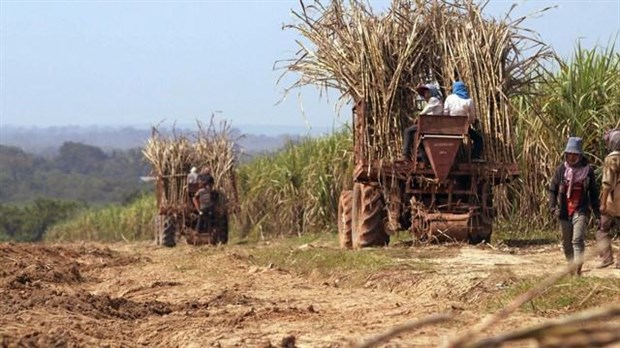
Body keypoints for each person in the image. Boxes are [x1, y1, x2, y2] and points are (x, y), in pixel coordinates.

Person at [549, 137, 601, 276]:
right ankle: (571, 267)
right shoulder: (561, 170)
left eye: (575, 154)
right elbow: (553, 190)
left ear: (580, 155)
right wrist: (553, 208)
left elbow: (594, 194)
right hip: (564, 211)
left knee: (577, 239)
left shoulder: (587, 171)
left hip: (580, 209)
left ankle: (577, 269)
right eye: (570, 154)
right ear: (566, 155)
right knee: (567, 243)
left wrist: (597, 214)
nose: (572, 157)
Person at [596, 128, 620, 269]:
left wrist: (603, 203)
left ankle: (607, 258)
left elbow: (607, 183)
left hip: (613, 201)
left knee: (602, 230)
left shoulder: (611, 159)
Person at [402, 84, 443, 162]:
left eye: (427, 92)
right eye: (425, 93)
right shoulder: (436, 101)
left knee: (407, 131)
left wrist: (417, 118)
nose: (425, 95)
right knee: (415, 135)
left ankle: (405, 154)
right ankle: (423, 157)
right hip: (430, 124)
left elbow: (424, 112)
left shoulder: (434, 99)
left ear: (432, 92)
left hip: (431, 125)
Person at [443, 81, 483, 160]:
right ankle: (475, 157)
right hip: (463, 128)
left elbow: (445, 114)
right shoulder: (469, 100)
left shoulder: (449, 98)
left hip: (450, 128)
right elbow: (472, 117)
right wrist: (470, 123)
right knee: (478, 139)